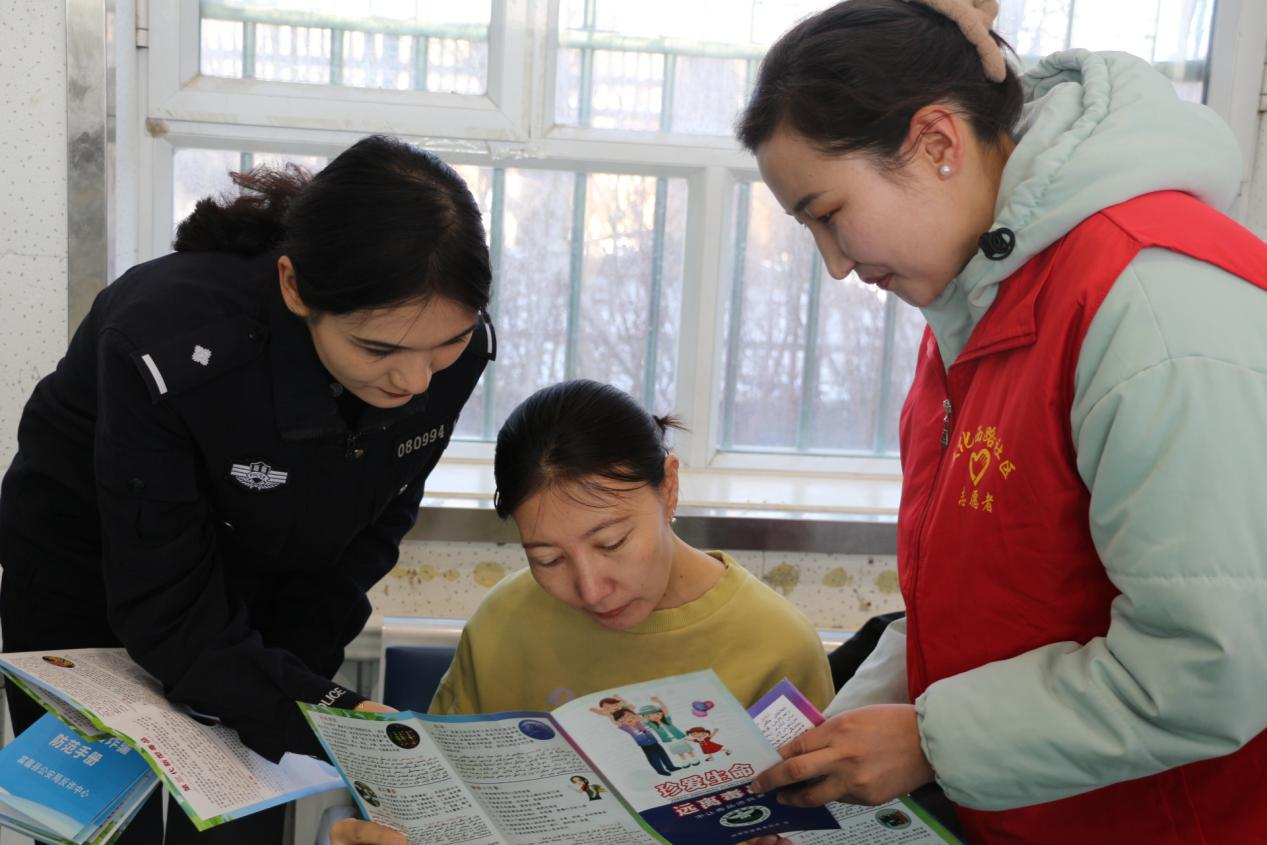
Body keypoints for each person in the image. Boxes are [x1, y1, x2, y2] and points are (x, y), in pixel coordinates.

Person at [734, 1, 1267, 843]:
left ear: (936, 142)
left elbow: (1213, 666)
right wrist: (828, 750)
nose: (833, 264)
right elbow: (975, 606)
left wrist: (930, 740)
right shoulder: (970, 303)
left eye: (828, 213)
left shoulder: (1155, 304)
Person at [0, 134, 496, 843]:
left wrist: (307, 695)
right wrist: (318, 708)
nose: (417, 381)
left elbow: (371, 523)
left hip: (261, 582)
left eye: (447, 343)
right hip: (93, 580)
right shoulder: (169, 339)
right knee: (105, 830)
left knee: (243, 809)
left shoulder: (451, 350)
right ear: (295, 286)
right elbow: (162, 599)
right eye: (379, 349)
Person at [329, 379, 833, 845]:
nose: (592, 590)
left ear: (669, 487)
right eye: (547, 559)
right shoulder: (504, 620)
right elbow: (445, 807)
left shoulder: (776, 643)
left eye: (612, 543)